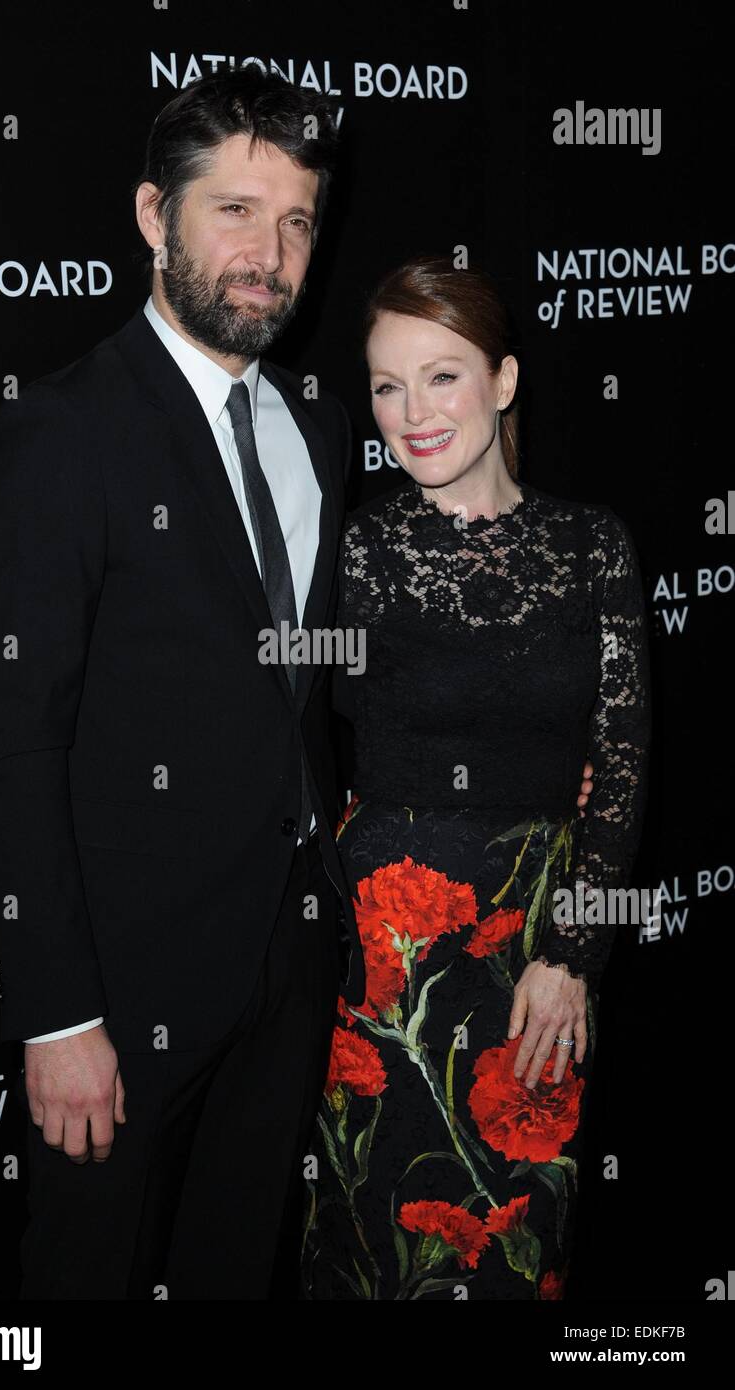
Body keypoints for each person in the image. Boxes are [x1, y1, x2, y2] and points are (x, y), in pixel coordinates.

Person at [0, 68, 594, 1301]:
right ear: (155, 218)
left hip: (303, 971)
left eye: (297, 219)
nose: (270, 252)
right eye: (236, 212)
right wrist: (54, 1018)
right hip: (121, 989)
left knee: (237, 1268)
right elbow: (14, 745)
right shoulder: (61, 434)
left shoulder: (310, 416)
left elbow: (324, 688)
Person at [301, 258, 651, 1301]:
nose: (409, 413)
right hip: (381, 963)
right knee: (377, 1236)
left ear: (501, 382)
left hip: (534, 959)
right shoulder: (354, 551)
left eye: (440, 377)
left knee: (513, 1243)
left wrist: (571, 955)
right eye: (385, 384)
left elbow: (624, 761)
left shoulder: (592, 547)